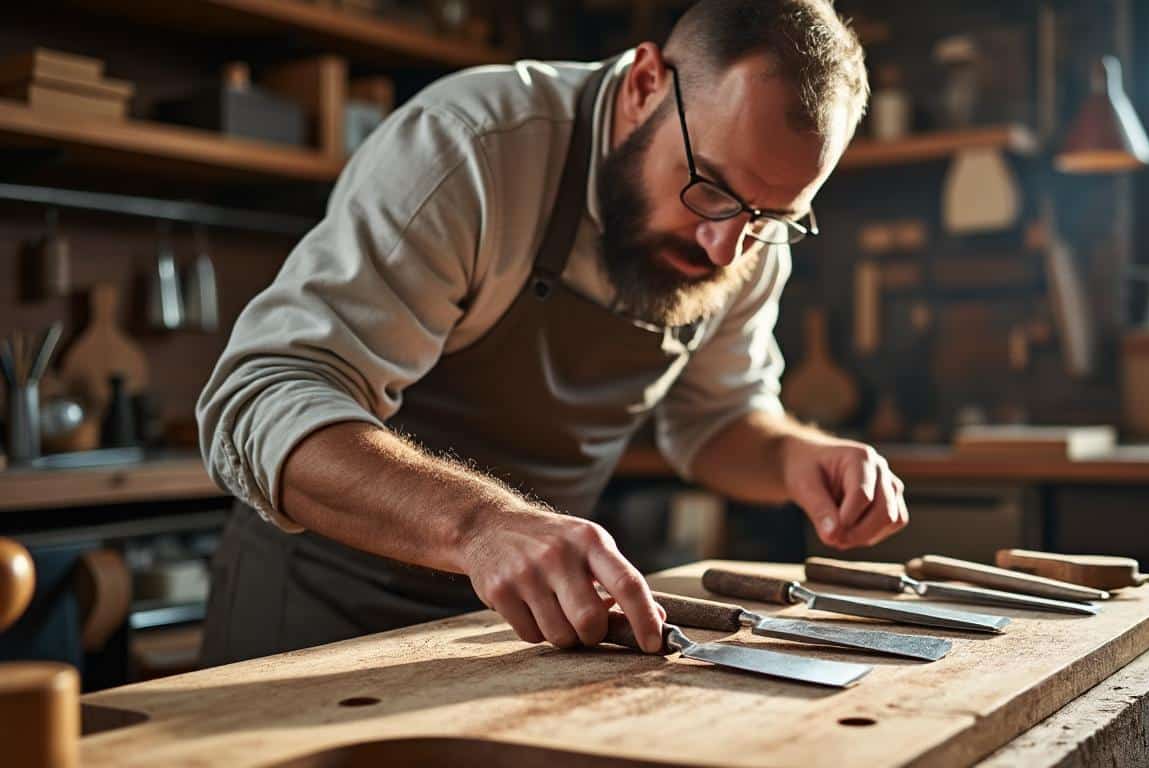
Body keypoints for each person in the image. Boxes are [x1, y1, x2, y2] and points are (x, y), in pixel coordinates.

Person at [196, 0, 908, 665]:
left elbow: (716, 421)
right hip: (318, 615)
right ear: (644, 85)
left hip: (516, 631)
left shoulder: (743, 235)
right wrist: (480, 526)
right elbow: (260, 399)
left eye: (769, 217)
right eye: (709, 187)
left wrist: (796, 458)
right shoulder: (471, 147)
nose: (726, 248)